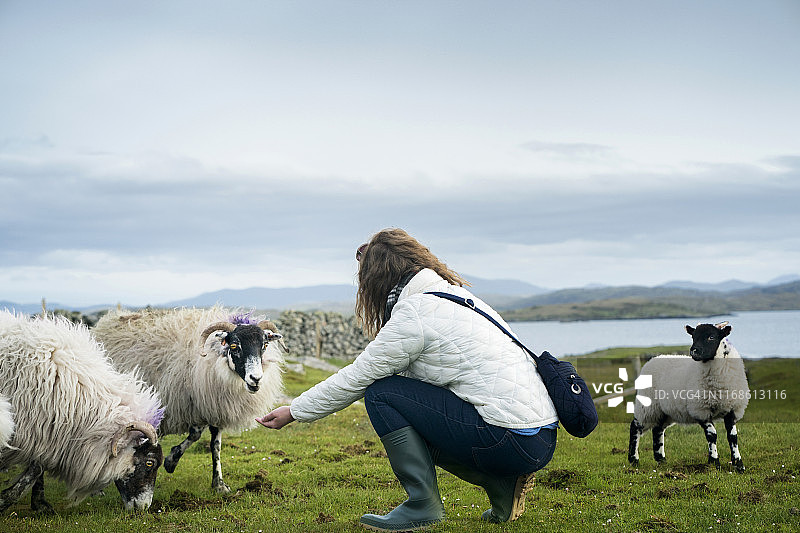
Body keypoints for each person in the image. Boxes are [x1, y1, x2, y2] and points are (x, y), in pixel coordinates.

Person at [257, 228, 558, 531]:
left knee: (381, 393)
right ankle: (501, 486)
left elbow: (359, 376)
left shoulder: (416, 312)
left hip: (507, 438)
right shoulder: (457, 296)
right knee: (410, 401)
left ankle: (422, 504)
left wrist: (294, 411)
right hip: (539, 437)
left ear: (378, 277)